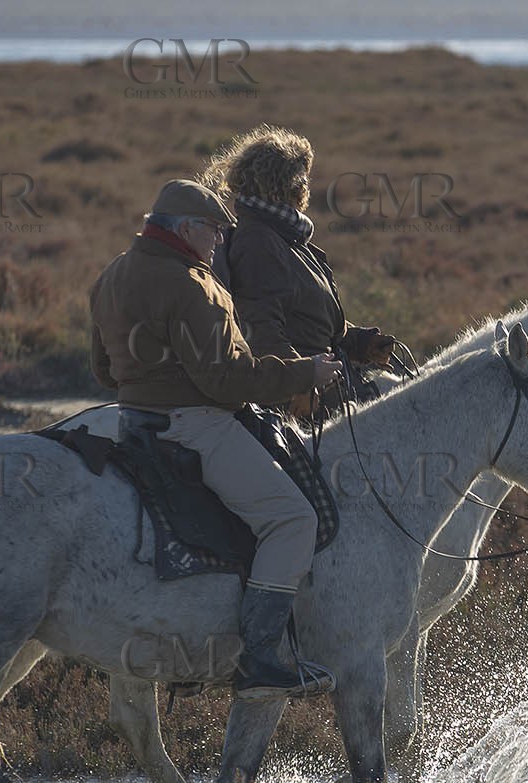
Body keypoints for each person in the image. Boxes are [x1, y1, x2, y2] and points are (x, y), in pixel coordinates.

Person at [88, 178, 337, 699]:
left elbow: (103, 372)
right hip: (196, 423)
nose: (221, 240)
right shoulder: (190, 284)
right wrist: (305, 374)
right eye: (214, 230)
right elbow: (227, 383)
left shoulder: (111, 274)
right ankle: (262, 656)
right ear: (185, 228)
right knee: (294, 519)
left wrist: (147, 388)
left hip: (132, 420)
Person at [199, 125, 404, 420]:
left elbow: (306, 320)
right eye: (304, 178)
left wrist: (360, 342)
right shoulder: (258, 241)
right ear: (292, 186)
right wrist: (300, 383)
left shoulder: (284, 235)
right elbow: (261, 328)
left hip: (326, 389)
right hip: (304, 408)